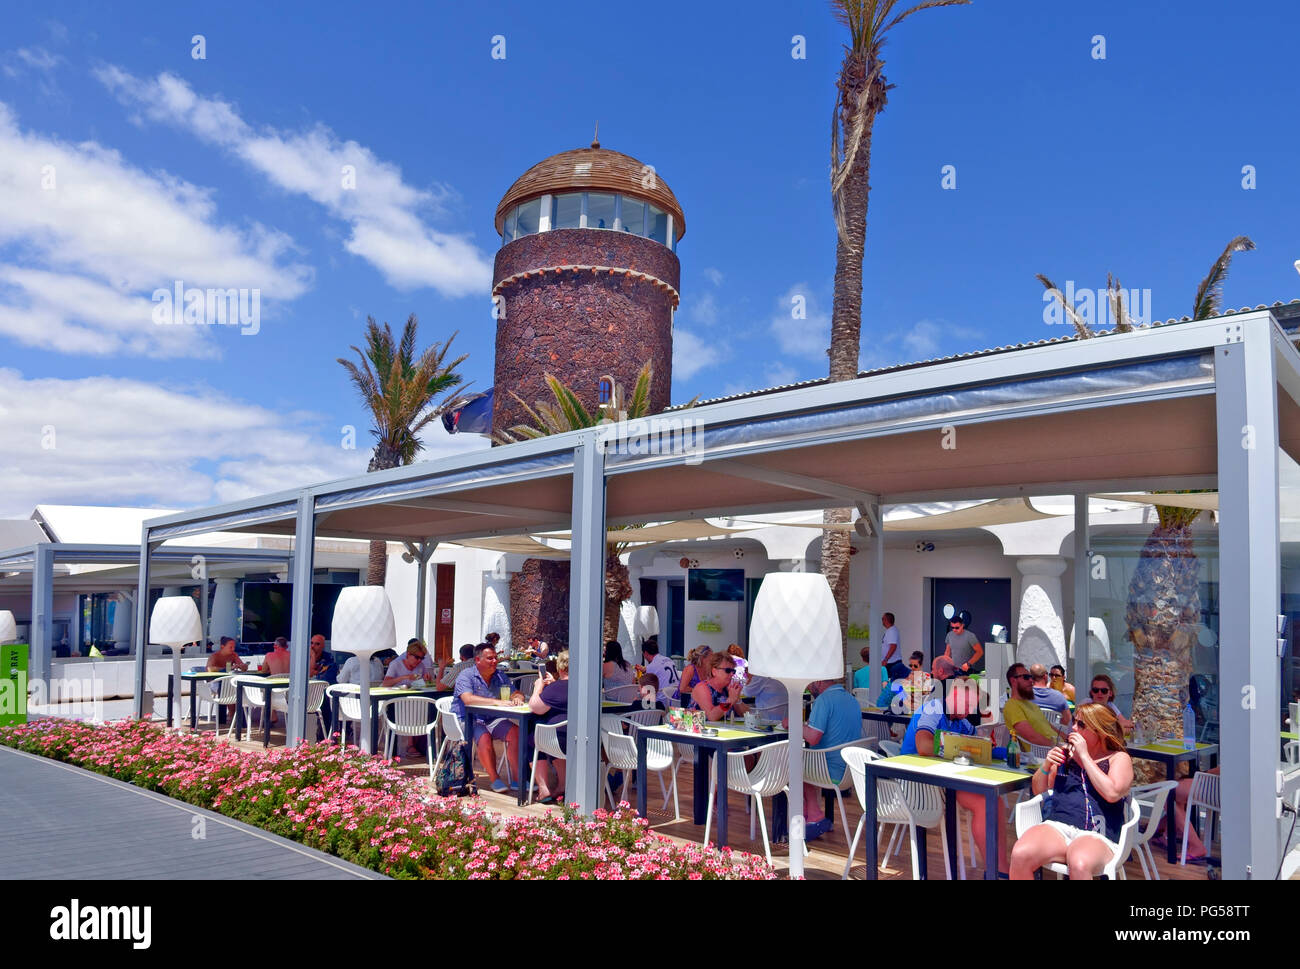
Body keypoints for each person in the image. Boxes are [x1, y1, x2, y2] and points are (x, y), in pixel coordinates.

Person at [1009, 703, 1134, 880]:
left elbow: (1112, 793)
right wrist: (1046, 766)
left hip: (1097, 832)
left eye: (1081, 725)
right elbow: (1039, 790)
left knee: (1079, 863)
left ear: (1100, 731)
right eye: (1075, 722)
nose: (1074, 728)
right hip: (1059, 825)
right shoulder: (1066, 755)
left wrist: (1084, 756)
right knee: (1020, 854)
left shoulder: (1118, 758)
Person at [902, 677, 1008, 874]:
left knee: (996, 801)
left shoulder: (962, 722)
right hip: (916, 785)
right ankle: (997, 870)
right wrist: (963, 747)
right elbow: (923, 746)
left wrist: (993, 748)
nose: (969, 711)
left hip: (941, 781)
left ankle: (999, 867)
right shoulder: (933, 709)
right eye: (968, 705)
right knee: (984, 803)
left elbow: (979, 746)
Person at [792, 677, 864, 841]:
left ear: (818, 682)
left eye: (808, 684)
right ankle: (807, 813)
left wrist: (793, 723)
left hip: (829, 771)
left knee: (792, 764)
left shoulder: (823, 701)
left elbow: (813, 738)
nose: (808, 689)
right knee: (802, 762)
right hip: (850, 768)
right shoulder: (851, 699)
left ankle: (813, 814)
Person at [454, 643, 525, 794]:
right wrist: (497, 702)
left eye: (495, 658)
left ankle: (517, 779)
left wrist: (518, 697)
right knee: (484, 737)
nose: (494, 661)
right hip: (469, 718)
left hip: (491, 718)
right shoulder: (466, 675)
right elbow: (468, 699)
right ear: (477, 660)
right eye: (490, 658)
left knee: (516, 732)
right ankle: (494, 779)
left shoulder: (500, 675)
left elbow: (514, 692)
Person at [528, 650, 570, 803]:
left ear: (560, 668)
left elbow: (535, 707)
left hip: (558, 740)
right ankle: (562, 785)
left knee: (531, 739)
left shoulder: (556, 688)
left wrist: (538, 687)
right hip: (583, 738)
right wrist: (554, 684)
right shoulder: (585, 686)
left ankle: (544, 788)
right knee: (548, 733)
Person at [1002, 663, 1067, 749]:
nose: (1031, 681)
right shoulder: (1012, 705)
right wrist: (1061, 747)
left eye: (1031, 677)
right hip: (1046, 753)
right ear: (1013, 680)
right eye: (1026, 677)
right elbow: (1032, 737)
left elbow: (1049, 727)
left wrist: (1068, 739)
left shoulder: (1031, 704)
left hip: (1059, 747)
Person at [687, 651, 750, 722]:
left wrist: (737, 699)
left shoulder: (727, 688)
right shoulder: (702, 688)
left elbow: (746, 715)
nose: (732, 674)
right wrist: (730, 700)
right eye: (728, 670)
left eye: (733, 671)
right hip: (703, 731)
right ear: (714, 671)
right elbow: (712, 716)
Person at [934, 613, 982, 677]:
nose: (954, 630)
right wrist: (945, 665)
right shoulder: (949, 635)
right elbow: (947, 651)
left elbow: (979, 652)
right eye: (952, 627)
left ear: (962, 625)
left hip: (967, 669)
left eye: (957, 627)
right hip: (954, 669)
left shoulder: (970, 636)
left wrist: (968, 664)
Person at [641, 637, 679, 704]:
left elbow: (648, 690)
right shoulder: (669, 659)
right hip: (675, 699)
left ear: (646, 653)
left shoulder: (651, 666)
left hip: (662, 701)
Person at [880, 612, 907, 681]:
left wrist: (885, 659)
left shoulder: (892, 631)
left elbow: (893, 646)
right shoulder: (889, 631)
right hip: (890, 662)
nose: (882, 621)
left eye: (882, 619)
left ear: (886, 620)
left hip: (892, 663)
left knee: (892, 683)